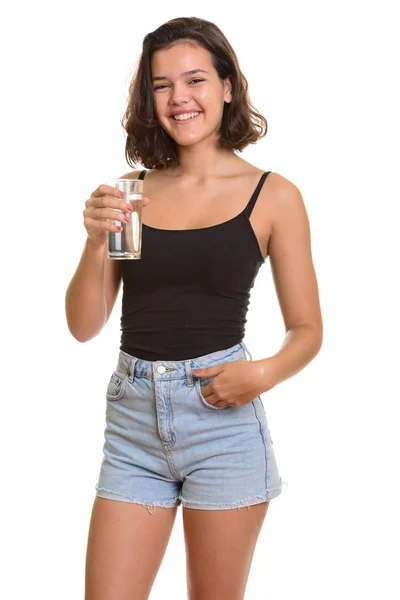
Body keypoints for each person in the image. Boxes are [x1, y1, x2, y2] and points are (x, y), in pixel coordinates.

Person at [65, 16, 323, 600]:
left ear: (227, 86)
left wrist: (260, 374)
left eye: (195, 79)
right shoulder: (128, 194)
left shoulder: (274, 196)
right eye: (161, 85)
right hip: (132, 425)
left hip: (223, 423)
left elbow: (308, 330)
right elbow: (84, 326)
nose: (179, 98)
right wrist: (93, 238)